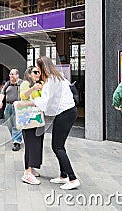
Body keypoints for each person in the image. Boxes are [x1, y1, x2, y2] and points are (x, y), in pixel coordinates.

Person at [23, 56, 80, 190]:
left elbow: (44, 102)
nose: (37, 71)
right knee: (60, 145)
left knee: (57, 146)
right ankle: (63, 176)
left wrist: (28, 103)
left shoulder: (51, 82)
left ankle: (72, 178)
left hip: (65, 114)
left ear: (43, 68)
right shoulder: (59, 77)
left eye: (38, 68)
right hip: (69, 112)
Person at [19, 66, 44, 185]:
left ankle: (32, 167)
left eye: (38, 72)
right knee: (30, 144)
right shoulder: (25, 84)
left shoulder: (40, 84)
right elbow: (23, 96)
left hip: (37, 119)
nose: (37, 74)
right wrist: (33, 88)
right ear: (29, 74)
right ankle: (27, 173)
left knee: (37, 143)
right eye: (35, 72)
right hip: (28, 119)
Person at [0, 69, 23, 151]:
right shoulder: (8, 83)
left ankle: (17, 142)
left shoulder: (21, 83)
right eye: (10, 74)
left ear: (17, 75)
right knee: (9, 124)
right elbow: (2, 93)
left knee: (16, 124)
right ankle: (15, 138)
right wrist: (0, 102)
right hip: (8, 106)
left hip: (17, 106)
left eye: (12, 74)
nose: (10, 76)